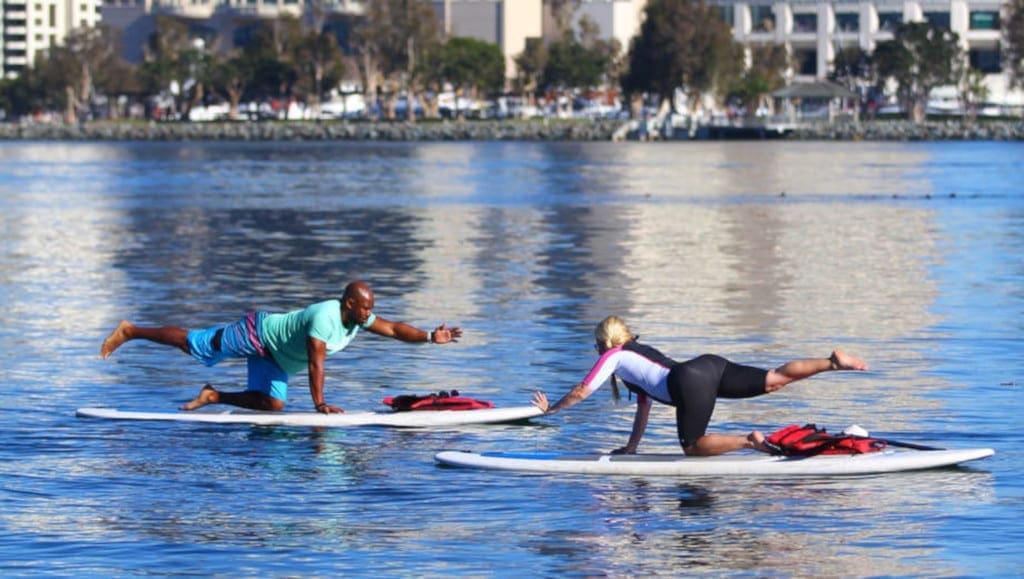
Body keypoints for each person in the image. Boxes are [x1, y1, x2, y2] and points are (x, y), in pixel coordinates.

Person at [100, 280, 462, 413]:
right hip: (258, 333)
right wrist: (320, 404)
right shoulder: (325, 317)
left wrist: (430, 337)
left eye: (371, 307)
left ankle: (213, 396)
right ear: (349, 303)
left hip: (274, 357)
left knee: (272, 405)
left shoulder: (359, 317)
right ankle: (132, 331)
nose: (370, 313)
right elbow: (316, 362)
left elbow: (396, 329)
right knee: (195, 345)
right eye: (365, 306)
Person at [531, 315, 867, 456]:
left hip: (688, 381)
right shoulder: (637, 353)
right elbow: (643, 411)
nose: (595, 351)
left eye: (596, 344)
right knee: (774, 379)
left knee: (691, 447)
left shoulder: (614, 356)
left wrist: (551, 411)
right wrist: (631, 448)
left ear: (605, 343)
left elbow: (581, 391)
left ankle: (749, 442)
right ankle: (831, 362)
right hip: (708, 365)